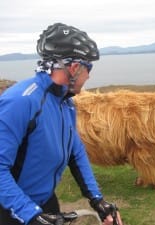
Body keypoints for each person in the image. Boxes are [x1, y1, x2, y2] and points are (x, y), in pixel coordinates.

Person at [0, 23, 123, 225]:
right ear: (74, 68)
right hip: (12, 209)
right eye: (88, 67)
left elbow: (75, 151)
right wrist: (30, 214)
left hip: (45, 202)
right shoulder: (21, 102)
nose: (89, 75)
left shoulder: (66, 102)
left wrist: (97, 200)